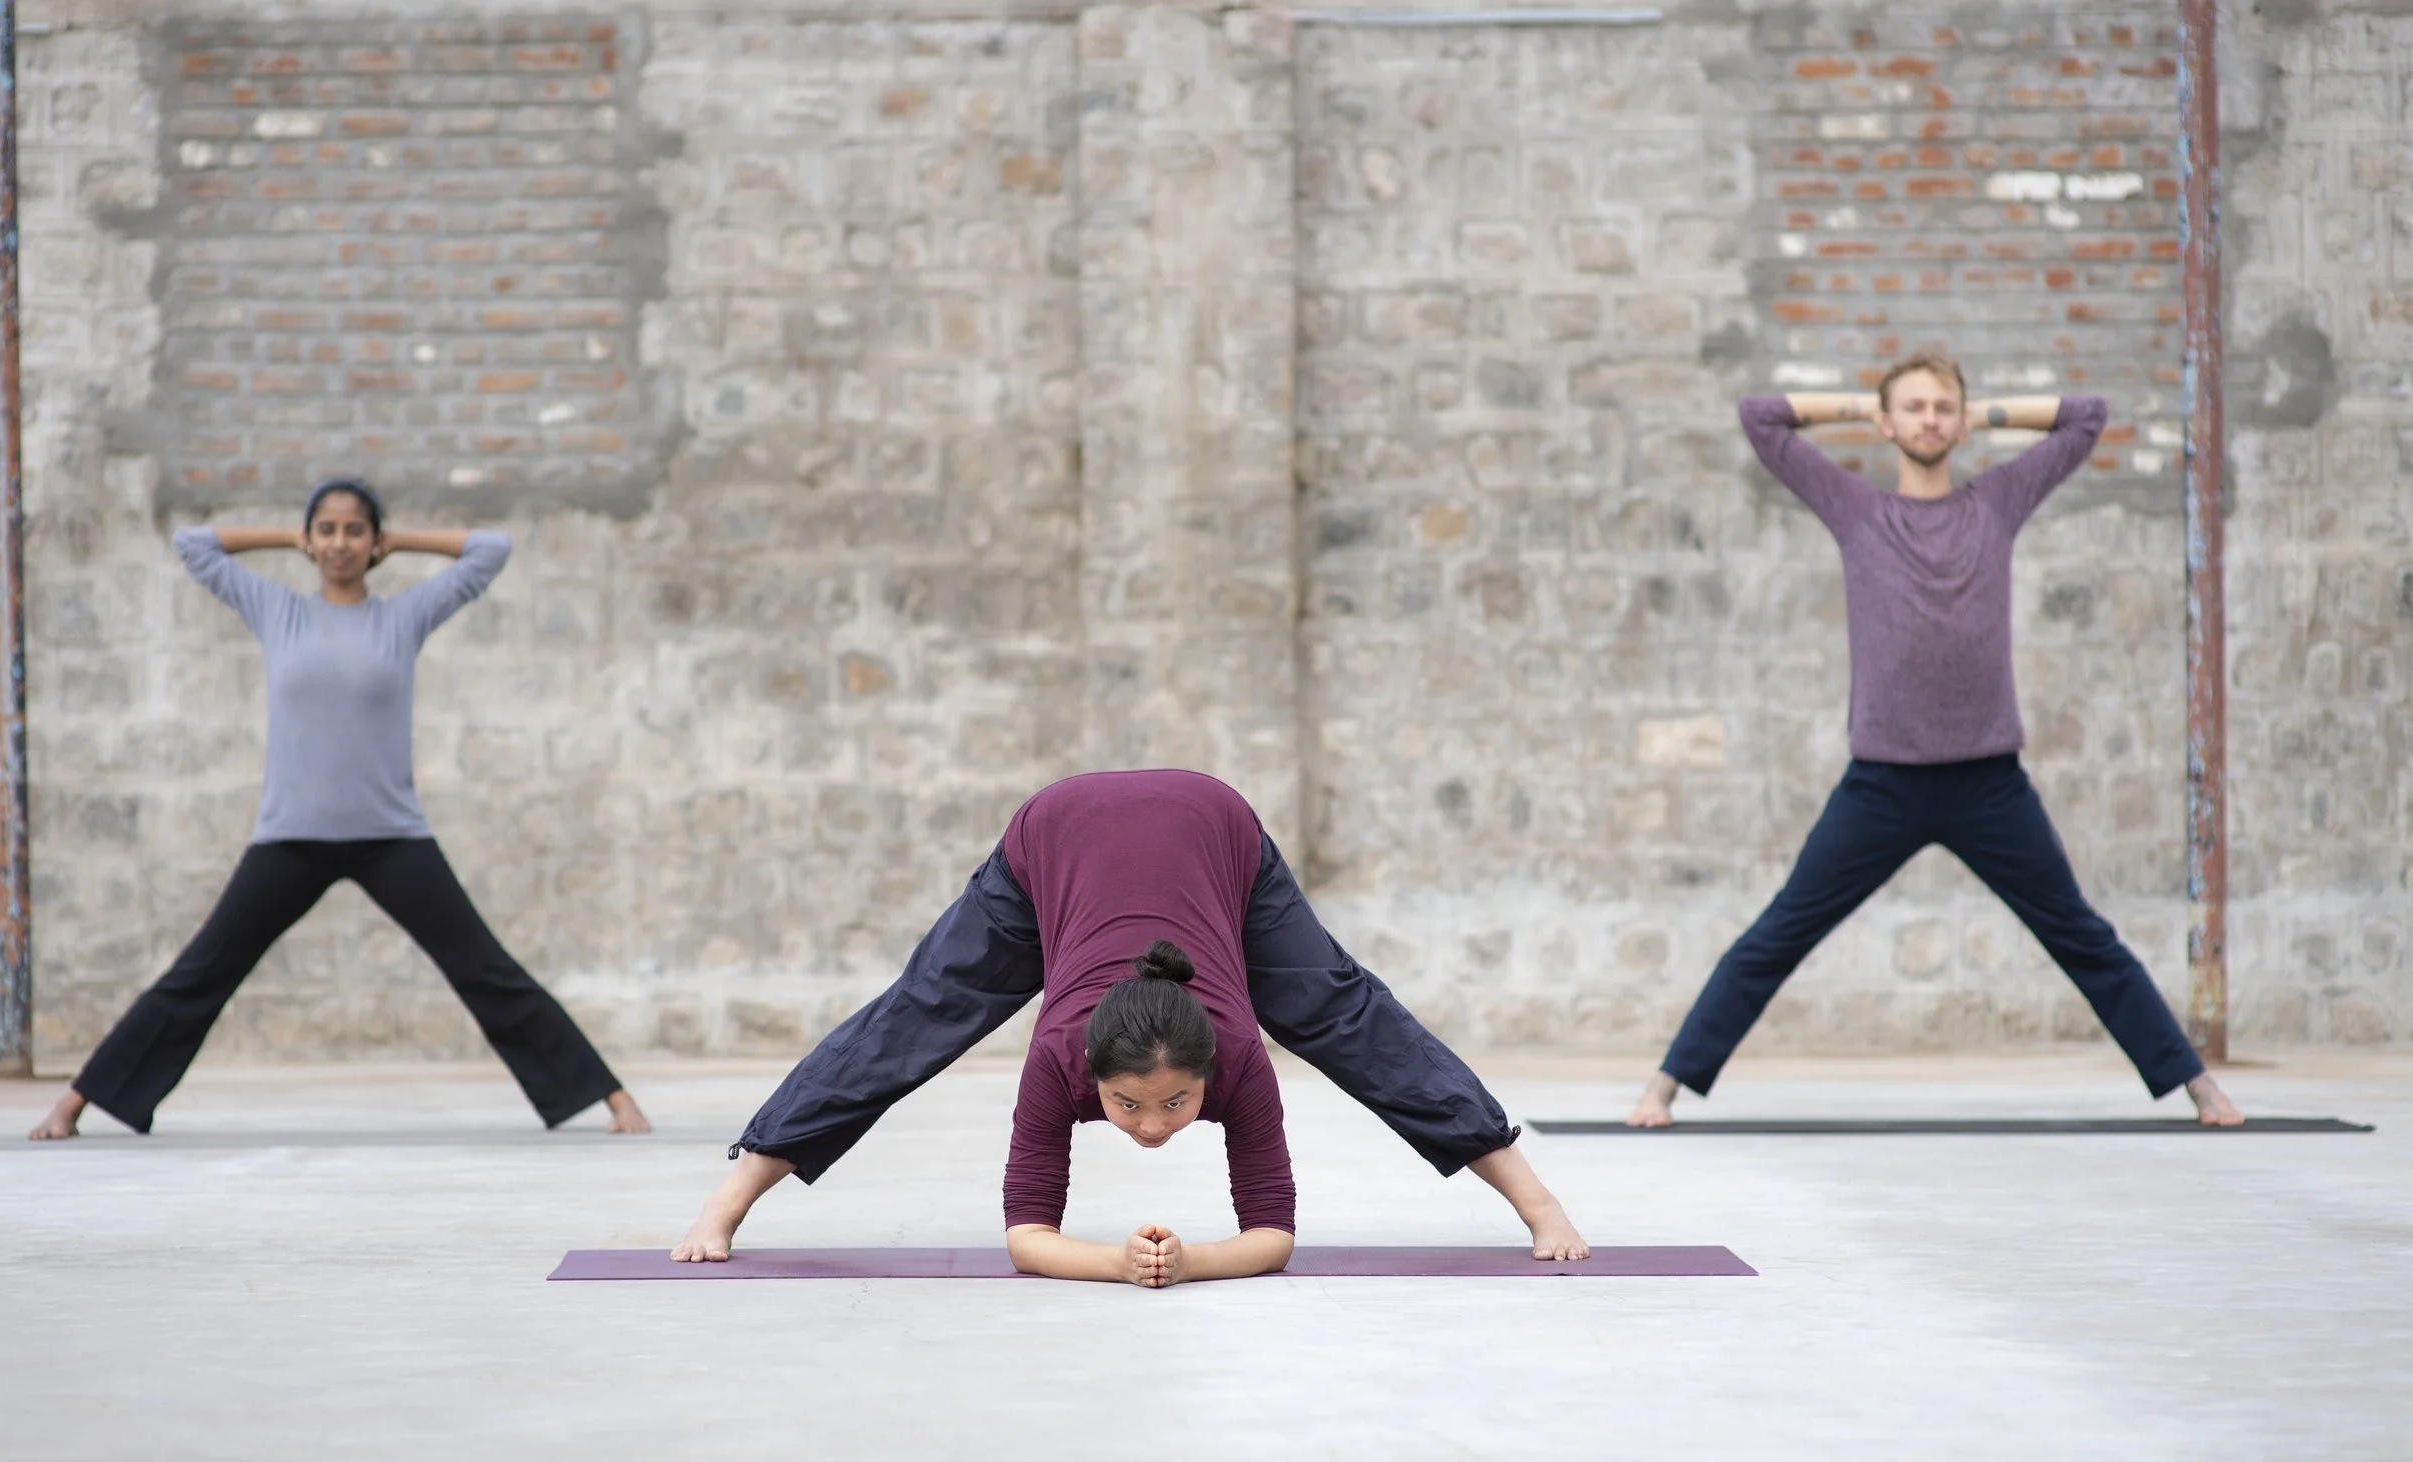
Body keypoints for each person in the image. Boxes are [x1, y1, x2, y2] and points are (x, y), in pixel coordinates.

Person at [1628, 352, 2244, 1128]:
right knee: (1779, 933)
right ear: (1889, 422)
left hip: (1990, 784)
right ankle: (1663, 1087)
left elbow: (2084, 414)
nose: (1929, 420)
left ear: (1960, 419)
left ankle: (2198, 1086)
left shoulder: (1996, 503)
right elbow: (1761, 415)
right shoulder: (1856, 510)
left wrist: (1975, 409)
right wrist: (1866, 404)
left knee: (2083, 936)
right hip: (1882, 785)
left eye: (1941, 408)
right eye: (1913, 408)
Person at [673, 769, 1587, 1283]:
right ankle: (730, 1194)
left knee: (1340, 1008)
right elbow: (1026, 1233)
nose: (1152, 1130)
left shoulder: (1238, 1056)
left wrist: (1541, 1214)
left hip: (1212, 826)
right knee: (925, 1010)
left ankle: (1532, 1191)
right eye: (1129, 1106)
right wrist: (1123, 1266)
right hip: (1054, 840)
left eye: (1175, 1105)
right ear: (1086, 1071)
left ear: (1213, 1068)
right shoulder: (1053, 1059)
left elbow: (1276, 1222)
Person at [30, 479, 650, 1139]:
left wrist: (398, 541)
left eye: (355, 531)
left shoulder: (401, 617)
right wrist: (286, 538)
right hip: (290, 837)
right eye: (325, 530)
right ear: (309, 539)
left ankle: (613, 1100)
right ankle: (74, 1104)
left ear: (373, 542)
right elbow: (196, 546)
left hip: (392, 838)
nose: (339, 543)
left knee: (485, 967)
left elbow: (489, 550)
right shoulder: (278, 611)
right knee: (202, 971)